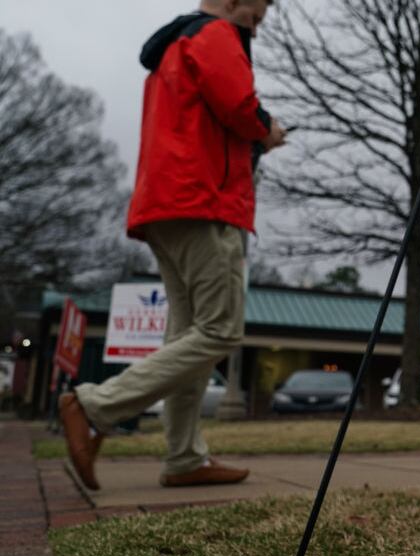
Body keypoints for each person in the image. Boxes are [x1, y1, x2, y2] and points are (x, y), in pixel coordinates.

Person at [59, 0, 287, 490]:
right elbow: (240, 108)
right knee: (221, 331)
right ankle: (93, 405)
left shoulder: (175, 44)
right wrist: (267, 132)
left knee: (189, 335)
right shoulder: (216, 35)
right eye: (258, 10)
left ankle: (184, 457)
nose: (259, 23)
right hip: (203, 202)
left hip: (165, 204)